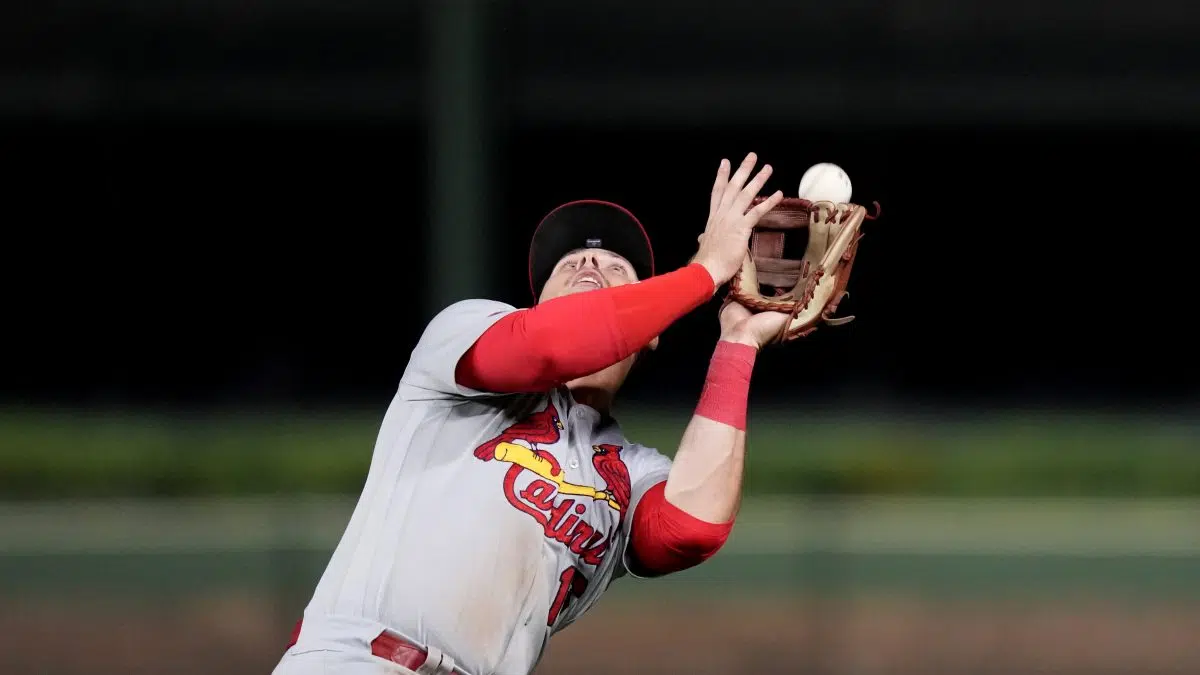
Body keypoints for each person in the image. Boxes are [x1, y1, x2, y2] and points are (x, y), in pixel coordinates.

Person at [273, 153, 788, 675]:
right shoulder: (460, 340)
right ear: (537, 306)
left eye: (616, 267)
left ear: (650, 331)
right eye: (569, 266)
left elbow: (689, 529)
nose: (589, 264)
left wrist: (738, 341)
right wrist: (703, 274)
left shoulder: (628, 475)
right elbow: (544, 346)